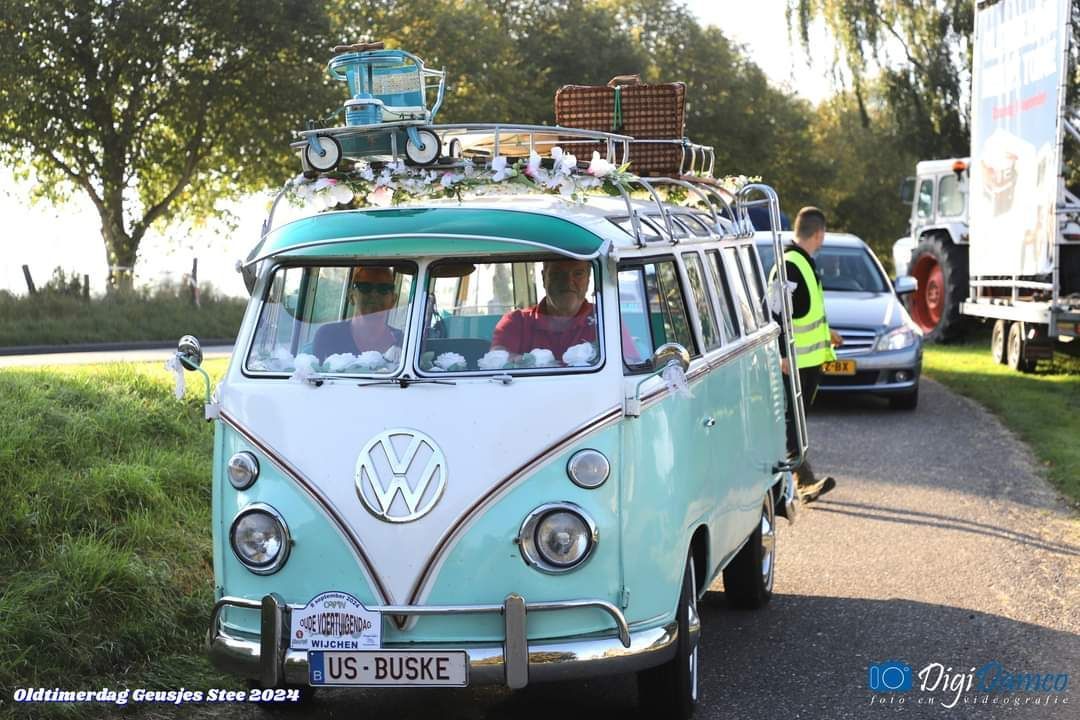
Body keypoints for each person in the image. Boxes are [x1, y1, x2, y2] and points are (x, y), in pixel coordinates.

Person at [774, 207, 843, 503]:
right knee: (792, 423)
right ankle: (803, 483)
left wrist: (828, 333)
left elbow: (803, 312)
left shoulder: (803, 263)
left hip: (805, 362)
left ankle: (796, 481)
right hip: (794, 362)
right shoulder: (791, 265)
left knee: (796, 422)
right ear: (819, 234)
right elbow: (775, 313)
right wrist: (782, 355)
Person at [491, 260, 599, 360]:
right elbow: (497, 361)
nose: (568, 282)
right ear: (544, 278)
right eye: (557, 273)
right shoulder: (516, 322)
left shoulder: (603, 319)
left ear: (588, 280)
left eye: (578, 273)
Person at [313, 265, 403, 359]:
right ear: (351, 296)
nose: (374, 294)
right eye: (365, 287)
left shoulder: (404, 342)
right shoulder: (328, 337)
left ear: (393, 300)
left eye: (383, 288)